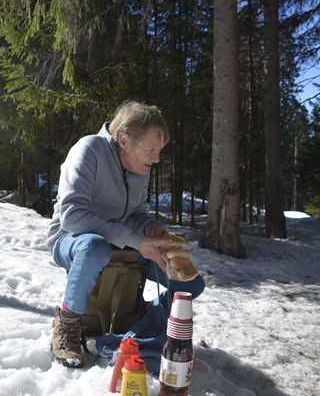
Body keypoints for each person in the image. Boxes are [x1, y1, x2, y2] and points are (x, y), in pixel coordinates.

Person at [46, 100, 205, 368]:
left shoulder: (140, 166)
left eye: (160, 150)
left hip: (122, 242)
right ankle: (68, 323)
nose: (156, 158)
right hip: (72, 240)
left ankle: (141, 321)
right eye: (151, 150)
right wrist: (135, 240)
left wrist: (150, 228)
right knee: (95, 247)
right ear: (123, 140)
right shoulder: (88, 150)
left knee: (190, 285)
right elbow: (72, 216)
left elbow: (138, 212)